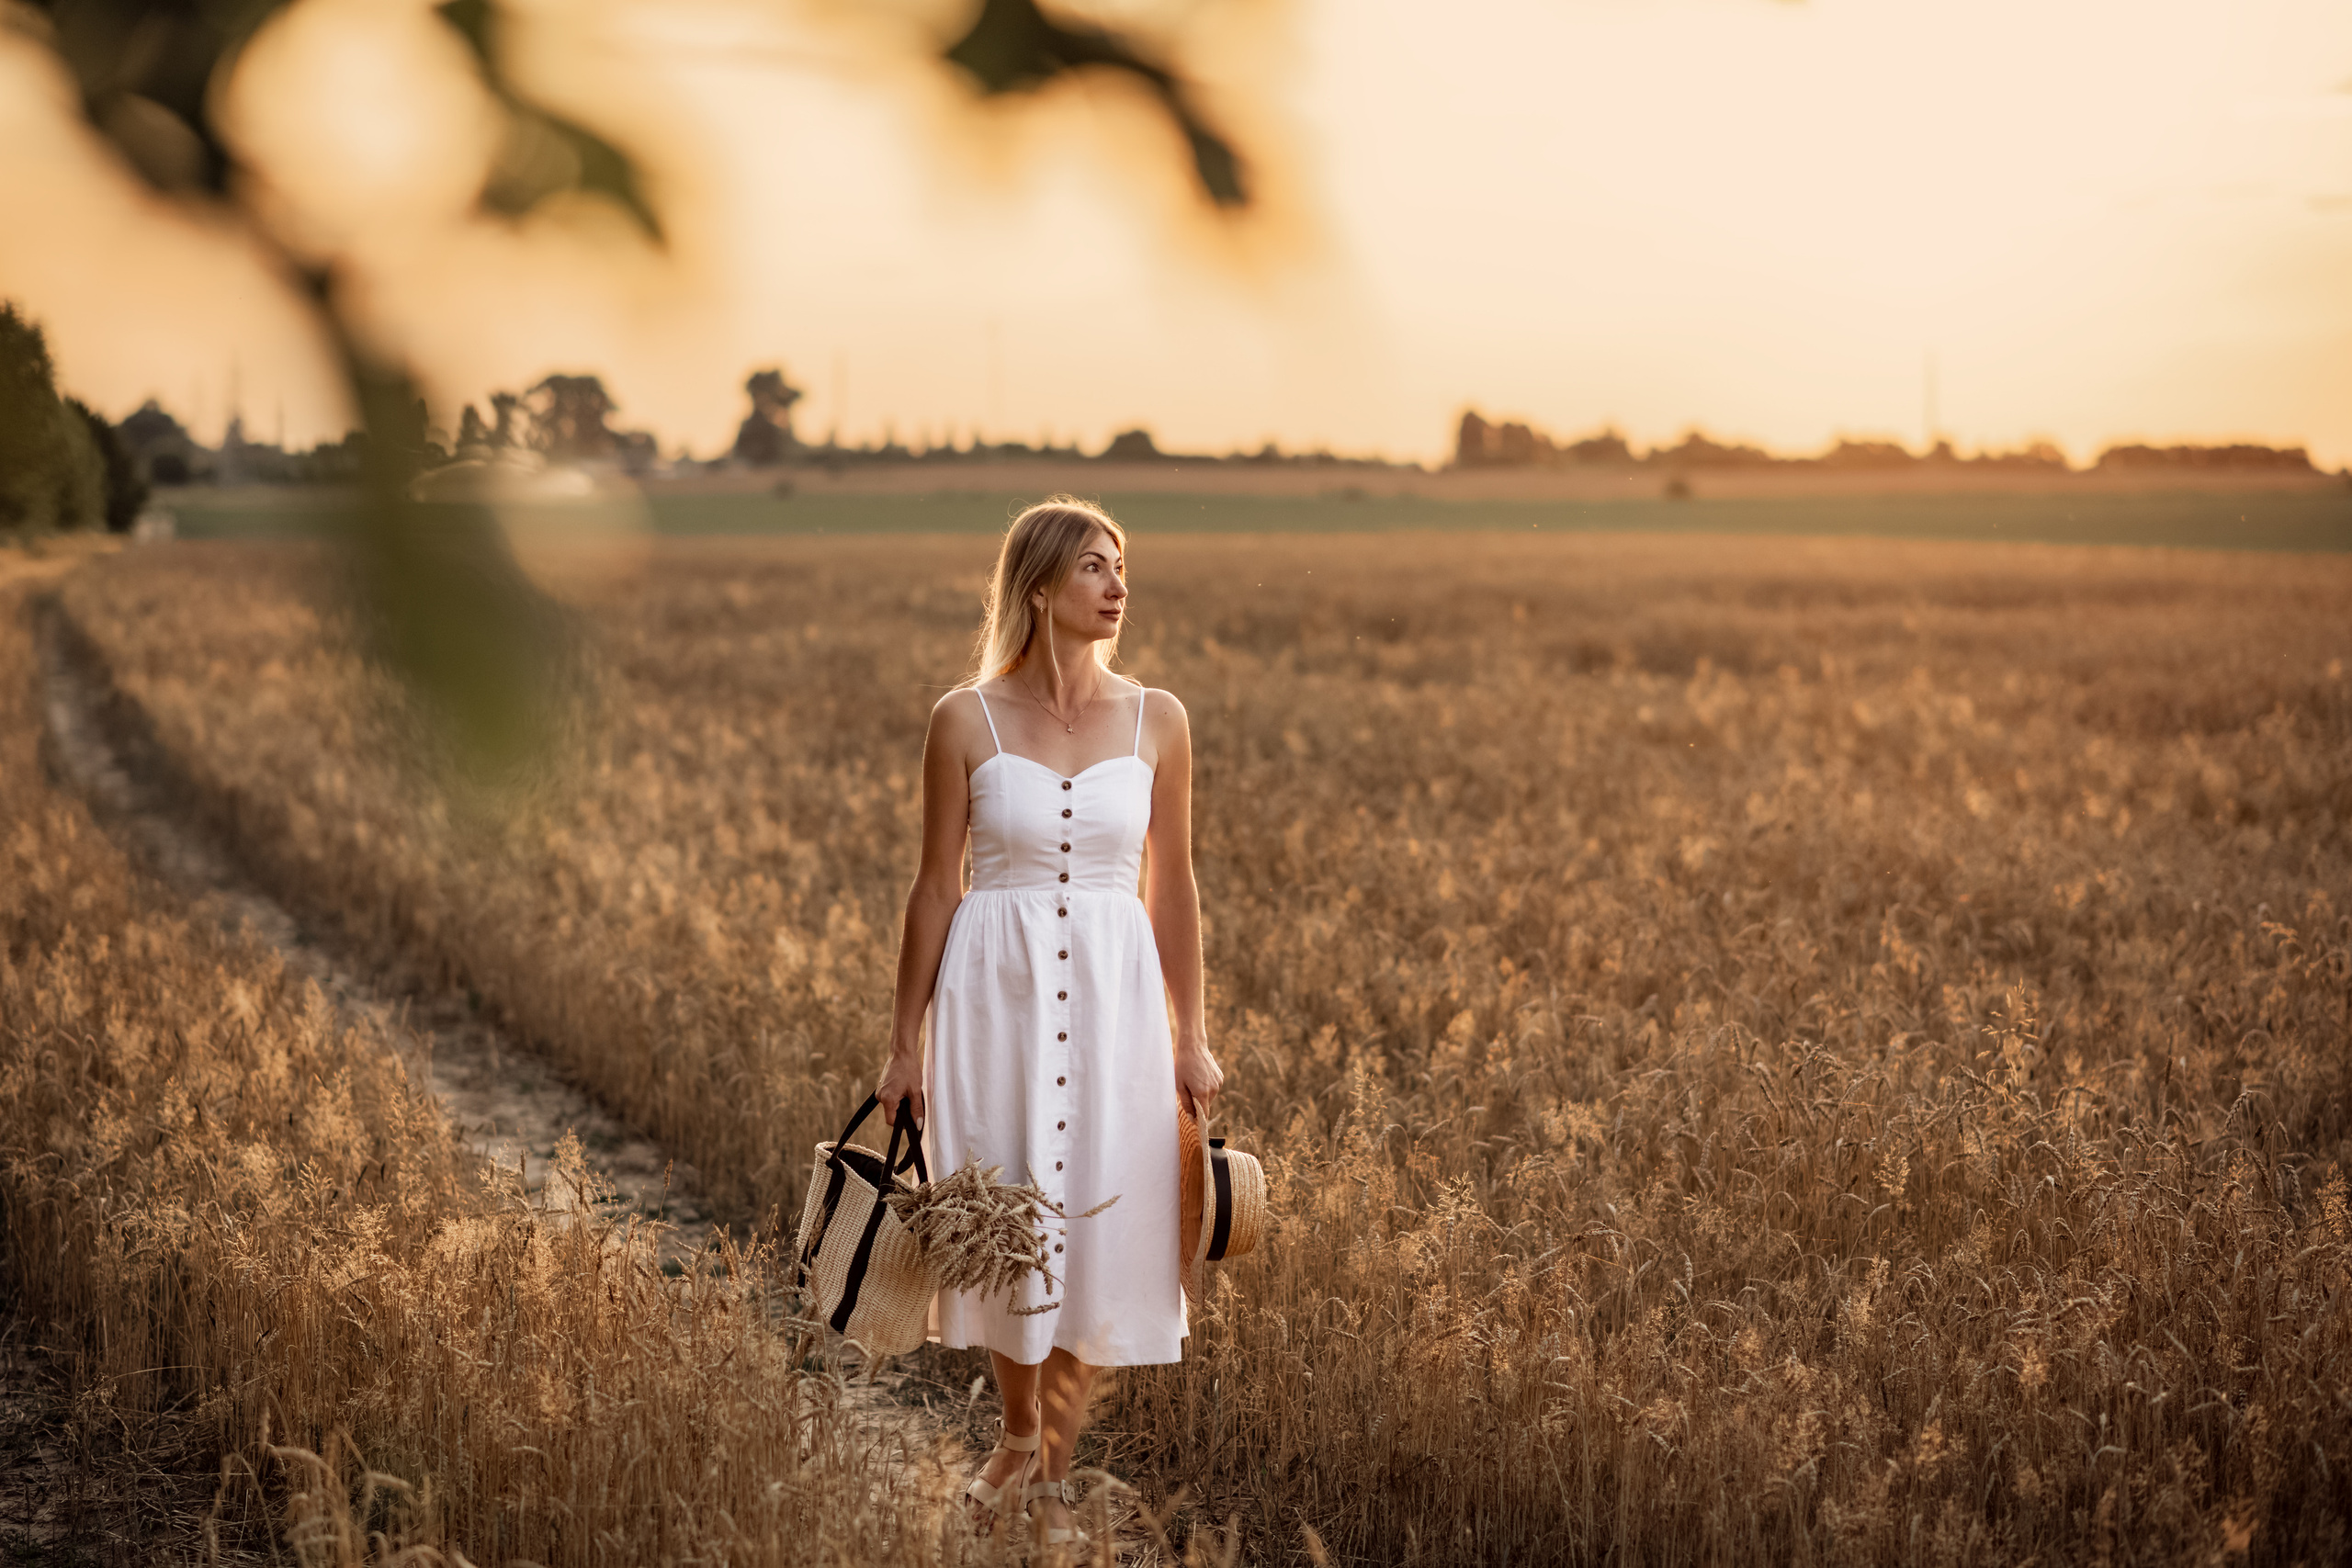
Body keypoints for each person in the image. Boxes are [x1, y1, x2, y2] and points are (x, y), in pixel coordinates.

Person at [874, 497, 1224, 1547]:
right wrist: (904, 1043)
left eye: (1121, 567)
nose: (1118, 586)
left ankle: (1049, 1460)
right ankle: (1019, 1433)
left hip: (1118, 995)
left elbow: (1175, 886)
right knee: (1012, 1206)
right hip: (997, 990)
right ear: (1038, 588)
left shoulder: (1159, 716)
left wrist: (1191, 1031)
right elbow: (935, 887)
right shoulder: (962, 719)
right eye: (1093, 569)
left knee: (1105, 1215)